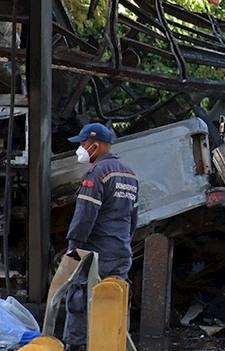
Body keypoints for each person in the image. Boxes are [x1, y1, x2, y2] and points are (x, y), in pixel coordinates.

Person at [63, 123, 139, 351]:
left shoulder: (96, 173)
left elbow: (85, 214)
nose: (80, 148)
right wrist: (124, 244)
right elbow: (132, 218)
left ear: (95, 145)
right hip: (121, 253)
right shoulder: (129, 175)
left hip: (96, 255)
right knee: (114, 302)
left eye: (83, 143)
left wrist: (74, 246)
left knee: (79, 301)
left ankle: (75, 348)